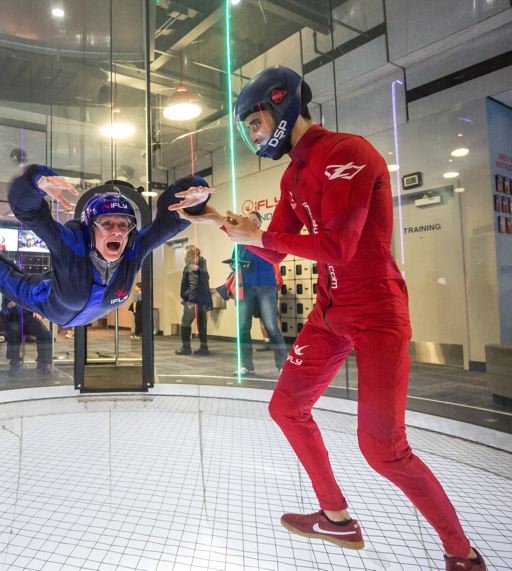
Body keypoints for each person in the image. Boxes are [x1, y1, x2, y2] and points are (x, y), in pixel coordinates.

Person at [175, 65, 486, 570]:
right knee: (286, 407)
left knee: (383, 450)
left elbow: (339, 246)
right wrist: (216, 217)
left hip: (377, 311)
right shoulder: (293, 173)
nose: (253, 136)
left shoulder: (347, 153)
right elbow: (273, 250)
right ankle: (337, 519)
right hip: (330, 310)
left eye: (254, 125)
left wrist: (260, 236)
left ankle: (463, 555)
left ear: (280, 104)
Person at [0, 165, 212, 327]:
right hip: (47, 299)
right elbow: (30, 213)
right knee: (0, 274)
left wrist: (193, 194)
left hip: (74, 301)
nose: (117, 230)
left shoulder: (133, 248)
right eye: (107, 223)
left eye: (124, 224)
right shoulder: (71, 244)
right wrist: (35, 181)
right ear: (90, 228)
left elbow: (170, 221)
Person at [228, 211, 287, 375]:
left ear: (260, 223)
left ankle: (283, 365)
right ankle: (245, 365)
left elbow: (274, 258)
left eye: (254, 220)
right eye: (248, 219)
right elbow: (234, 262)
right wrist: (235, 265)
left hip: (266, 286)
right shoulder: (239, 242)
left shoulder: (266, 238)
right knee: (243, 327)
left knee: (271, 326)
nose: (250, 222)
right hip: (245, 286)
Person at [0, 297, 52, 373]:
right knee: (13, 332)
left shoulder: (29, 288)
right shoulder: (7, 291)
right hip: (14, 318)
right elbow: (2, 312)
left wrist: (39, 312)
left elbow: (39, 304)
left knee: (45, 334)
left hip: (30, 317)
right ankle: (15, 361)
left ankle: (44, 362)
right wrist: (8, 308)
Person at [175, 246, 211, 355]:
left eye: (185, 253)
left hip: (193, 300)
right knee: (201, 324)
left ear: (189, 254)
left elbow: (193, 284)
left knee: (186, 323)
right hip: (203, 299)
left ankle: (186, 348)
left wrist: (189, 299)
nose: (183, 255)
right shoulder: (202, 265)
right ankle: (204, 348)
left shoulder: (191, 266)